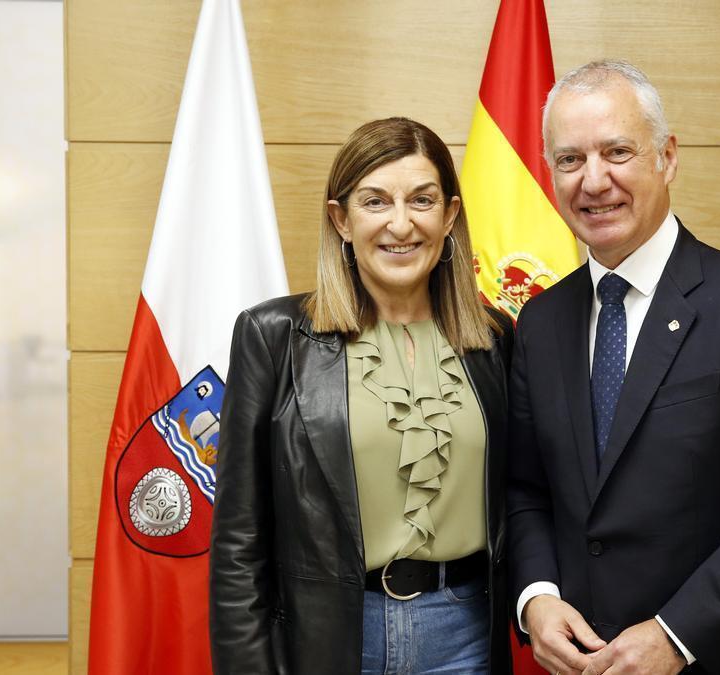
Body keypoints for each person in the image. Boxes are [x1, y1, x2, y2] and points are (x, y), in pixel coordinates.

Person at [507, 60, 720, 675]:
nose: (593, 181)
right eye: (569, 159)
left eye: (617, 152)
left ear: (666, 157)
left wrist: (678, 634)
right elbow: (528, 489)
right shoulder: (540, 321)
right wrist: (537, 598)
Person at [210, 117, 513, 674]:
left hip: (466, 638)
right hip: (327, 640)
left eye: (421, 200)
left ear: (449, 216)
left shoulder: (495, 341)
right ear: (341, 219)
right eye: (375, 201)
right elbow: (237, 544)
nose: (401, 224)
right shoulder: (272, 338)